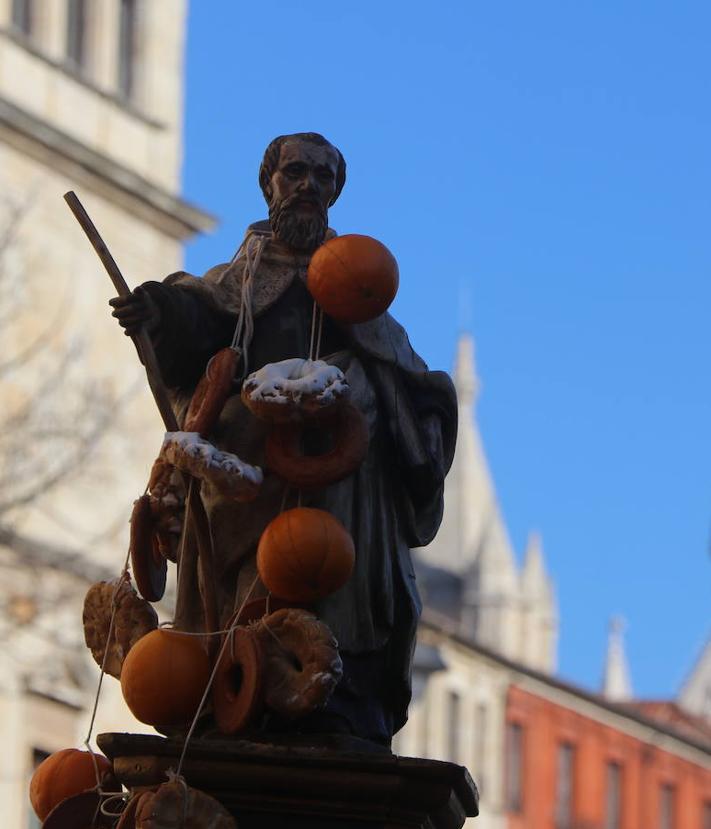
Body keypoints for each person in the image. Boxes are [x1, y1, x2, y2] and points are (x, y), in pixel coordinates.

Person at [110, 132, 457, 745]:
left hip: (341, 487)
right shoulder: (237, 280)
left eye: (323, 178)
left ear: (335, 193)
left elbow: (410, 374)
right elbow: (195, 319)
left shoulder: (358, 282)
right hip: (244, 467)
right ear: (270, 183)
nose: (308, 186)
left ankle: (339, 695)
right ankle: (234, 686)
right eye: (295, 172)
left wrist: (397, 403)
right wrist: (158, 312)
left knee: (333, 570)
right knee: (240, 590)